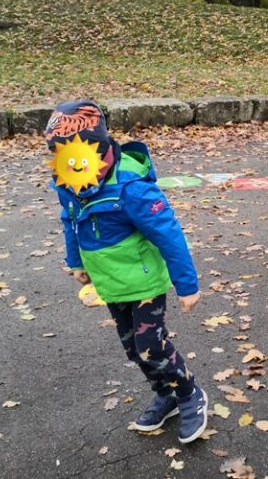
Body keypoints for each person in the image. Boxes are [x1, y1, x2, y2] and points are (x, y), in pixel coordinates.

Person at [45, 100, 207, 444]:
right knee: (133, 348)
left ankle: (190, 393)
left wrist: (187, 284)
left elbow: (168, 232)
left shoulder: (130, 186)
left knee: (151, 343)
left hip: (144, 278)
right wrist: (75, 261)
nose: (64, 161)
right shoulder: (69, 181)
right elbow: (69, 220)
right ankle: (166, 393)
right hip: (110, 281)